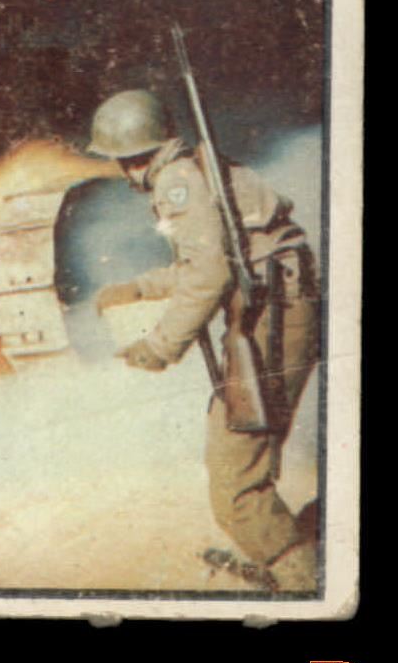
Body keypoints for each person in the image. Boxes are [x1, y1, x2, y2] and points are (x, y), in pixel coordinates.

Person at [88, 89, 320, 592]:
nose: (124, 174)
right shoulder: (193, 168)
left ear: (133, 156)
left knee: (236, 485)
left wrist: (159, 345)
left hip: (273, 315)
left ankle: (305, 584)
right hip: (279, 306)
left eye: (121, 161)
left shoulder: (176, 182)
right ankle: (299, 553)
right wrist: (142, 287)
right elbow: (216, 260)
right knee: (242, 455)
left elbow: (210, 275)